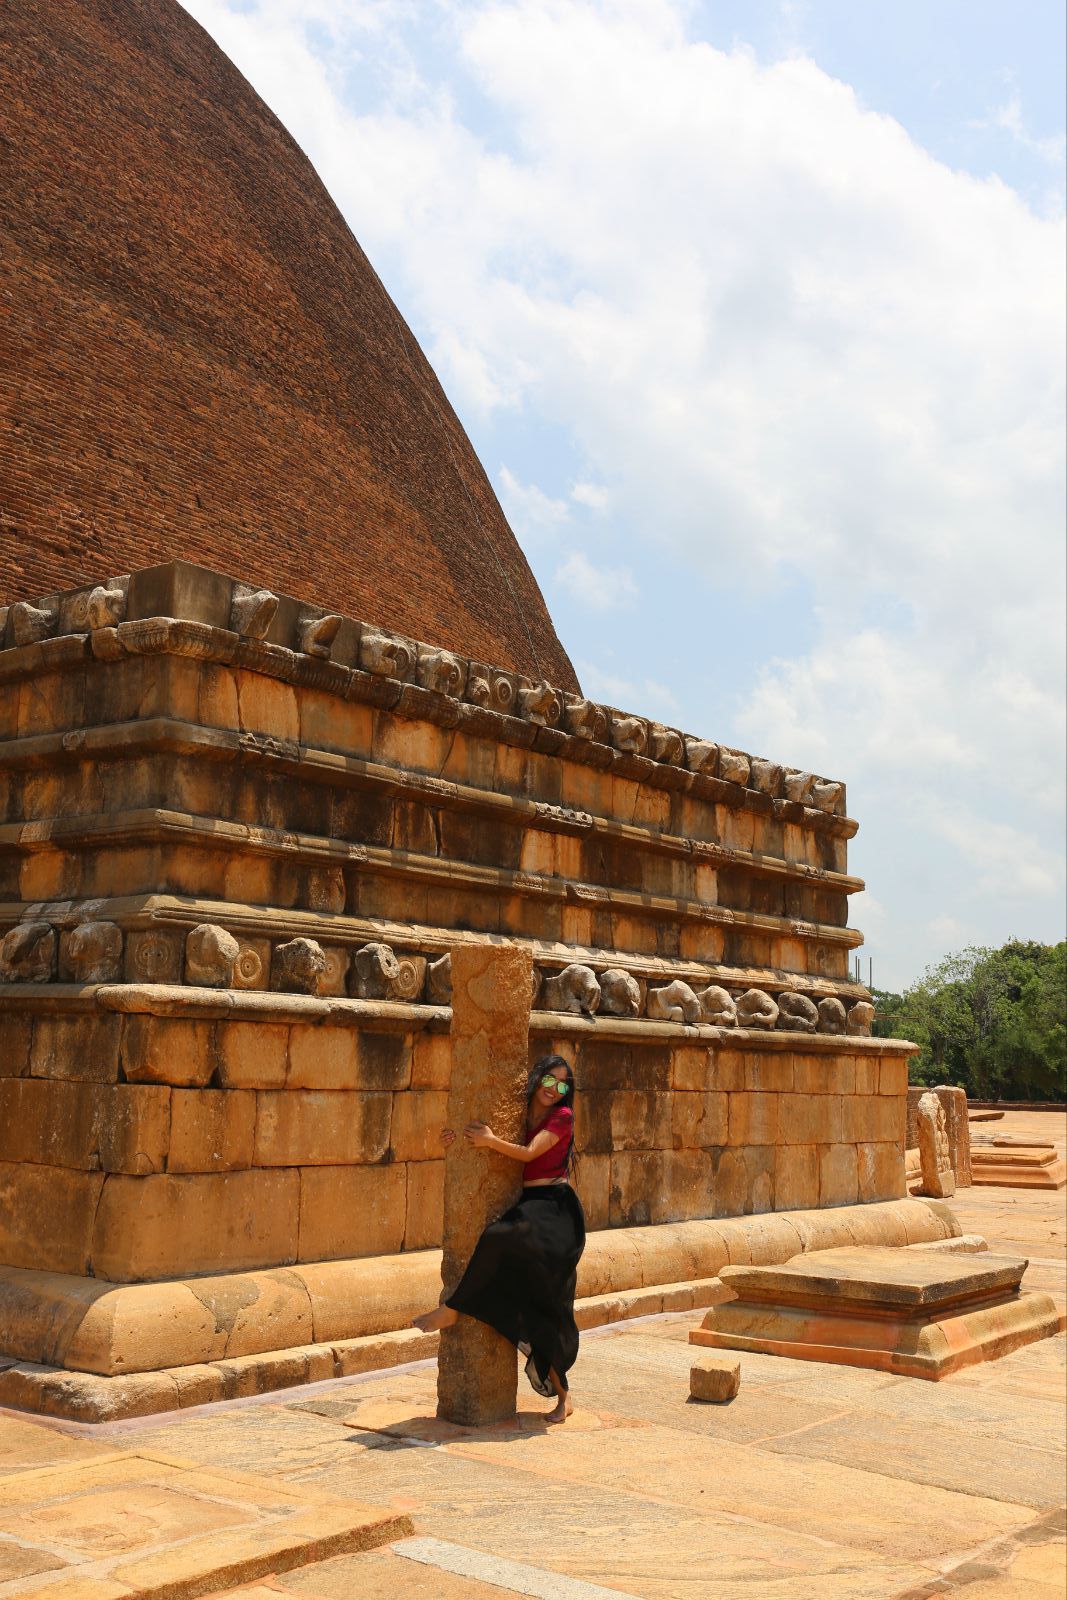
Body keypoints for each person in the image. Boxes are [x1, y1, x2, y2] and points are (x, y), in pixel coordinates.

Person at [412, 1053, 585, 1423]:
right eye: (549, 1082)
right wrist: (452, 1138)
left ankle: (452, 1309)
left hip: (555, 1211)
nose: (554, 1090)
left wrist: (489, 1141)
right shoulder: (520, 1111)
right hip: (531, 1205)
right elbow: (475, 1129)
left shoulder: (562, 1117)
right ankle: (565, 1396)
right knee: (534, 1302)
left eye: (562, 1085)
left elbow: (526, 1153)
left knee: (499, 1241)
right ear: (538, 1079)